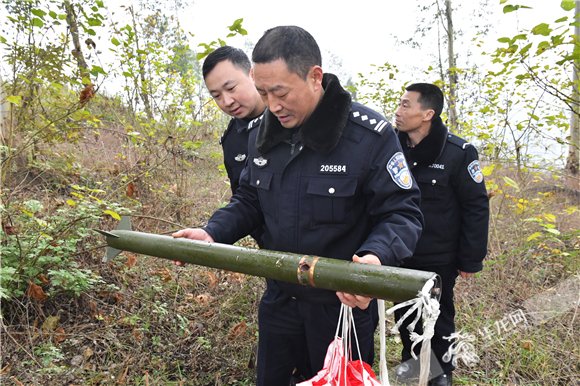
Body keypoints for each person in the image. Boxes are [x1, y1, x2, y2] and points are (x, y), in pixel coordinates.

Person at [173, 26, 424, 386]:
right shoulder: (265, 131)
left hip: (342, 309)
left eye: (280, 92)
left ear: (314, 77)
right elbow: (249, 199)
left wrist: (375, 260)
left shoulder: (368, 136)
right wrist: (212, 232)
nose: (272, 105)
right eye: (263, 92)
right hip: (281, 302)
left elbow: (402, 213)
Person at [392, 83, 489, 386]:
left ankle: (440, 373)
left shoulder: (458, 152)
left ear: (427, 114)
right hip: (399, 252)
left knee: (439, 316)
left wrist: (470, 258)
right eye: (400, 103)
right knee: (405, 316)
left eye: (407, 105)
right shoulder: (390, 147)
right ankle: (412, 364)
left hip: (439, 256)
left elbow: (476, 206)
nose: (398, 110)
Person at [202, 46, 266, 245]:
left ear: (252, 75)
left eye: (231, 89)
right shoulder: (231, 139)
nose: (227, 101)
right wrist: (214, 232)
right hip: (271, 254)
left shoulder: (289, 119)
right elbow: (246, 199)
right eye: (217, 96)